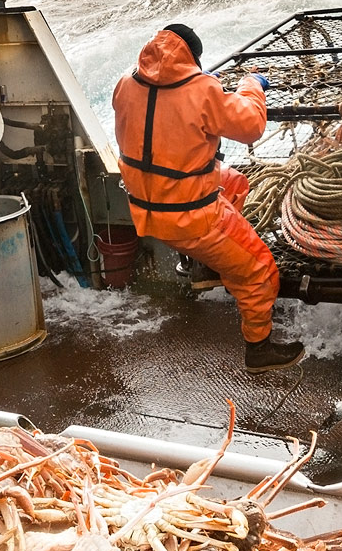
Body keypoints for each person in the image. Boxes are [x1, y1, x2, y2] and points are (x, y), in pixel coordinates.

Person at [110, 24, 303, 373]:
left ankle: (204, 263)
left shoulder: (126, 82)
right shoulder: (202, 90)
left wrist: (205, 86)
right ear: (191, 59)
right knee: (260, 270)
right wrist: (251, 86)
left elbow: (162, 112)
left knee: (235, 183)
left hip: (145, 208)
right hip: (193, 218)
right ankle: (259, 349)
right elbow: (251, 126)